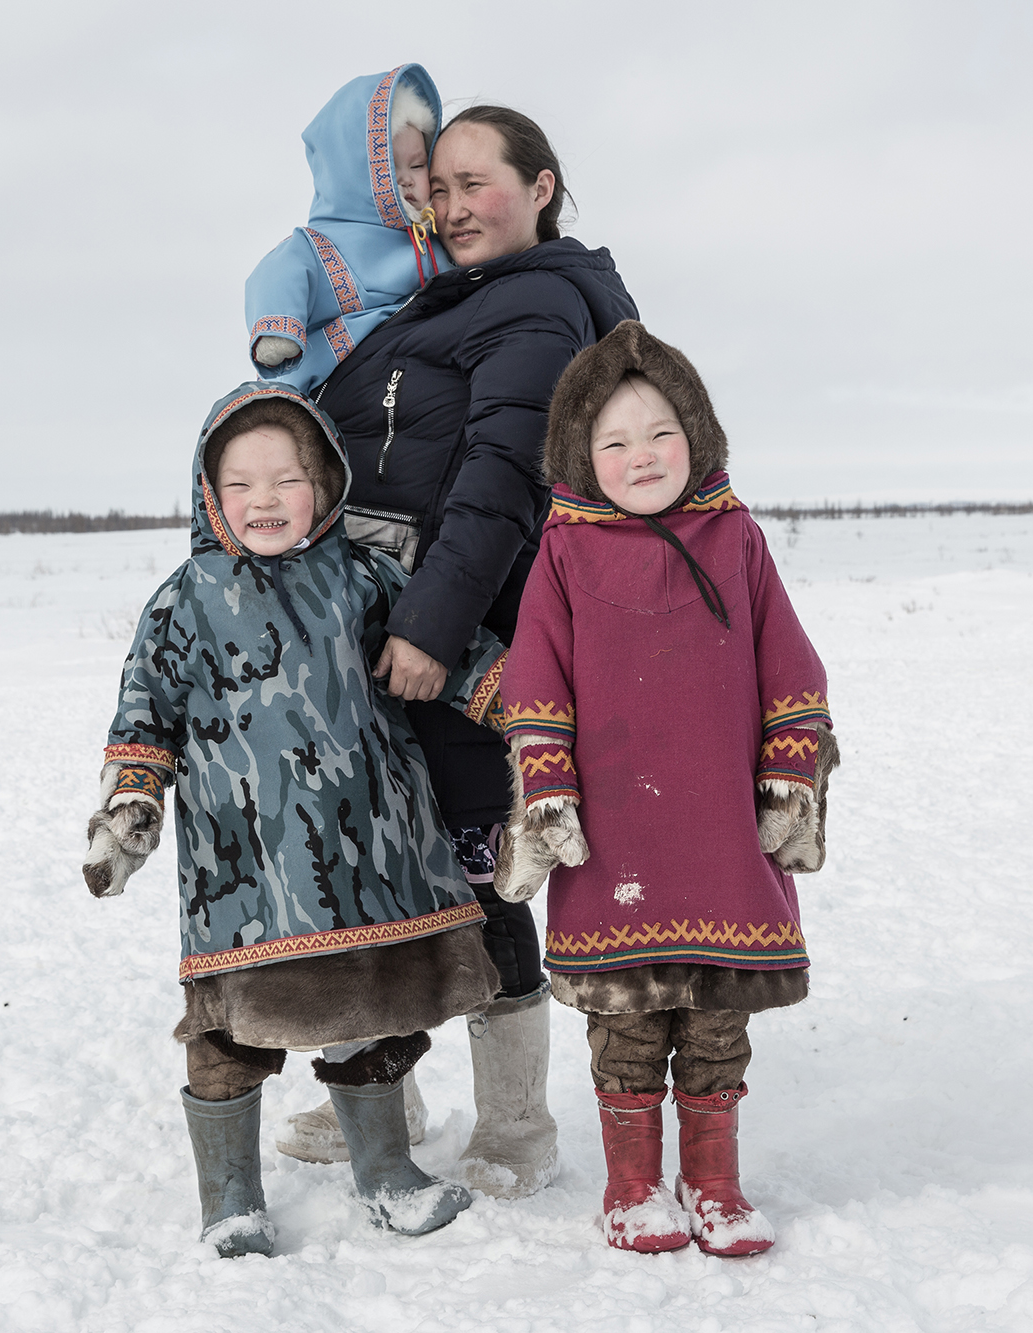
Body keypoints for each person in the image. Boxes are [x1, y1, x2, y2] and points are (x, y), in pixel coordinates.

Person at [275, 103, 640, 1200]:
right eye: (436, 186)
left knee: (480, 879)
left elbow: (500, 473)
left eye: (477, 181)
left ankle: (516, 1127)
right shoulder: (440, 305)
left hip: (459, 633)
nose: (451, 204)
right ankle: (385, 1094)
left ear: (540, 186)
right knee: (380, 868)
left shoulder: (537, 305)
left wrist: (431, 628)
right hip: (373, 629)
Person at [80, 382, 509, 1255]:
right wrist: (130, 799)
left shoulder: (364, 577)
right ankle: (231, 1196)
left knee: (375, 1009)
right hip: (242, 871)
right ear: (208, 494)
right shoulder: (182, 601)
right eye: (240, 483)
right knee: (232, 1029)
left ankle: (388, 1173)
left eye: (286, 478)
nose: (264, 500)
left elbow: (454, 651)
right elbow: (143, 712)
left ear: (326, 482)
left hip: (372, 860)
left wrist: (533, 715)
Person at [491, 321, 840, 1257]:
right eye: (613, 441)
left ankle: (715, 1182)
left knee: (717, 1021)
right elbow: (536, 680)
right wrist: (548, 791)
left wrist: (789, 781)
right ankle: (633, 1184)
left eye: (659, 435)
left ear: (698, 436)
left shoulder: (737, 537)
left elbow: (791, 666)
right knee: (630, 1022)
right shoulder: (562, 555)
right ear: (578, 453)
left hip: (721, 833)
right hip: (616, 837)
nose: (640, 456)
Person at [244, 65, 447, 396]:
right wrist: (279, 330)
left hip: (413, 369)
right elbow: (278, 272)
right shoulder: (324, 244)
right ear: (353, 172)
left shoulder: (434, 238)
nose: (406, 178)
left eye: (417, 164)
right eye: (390, 165)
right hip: (332, 372)